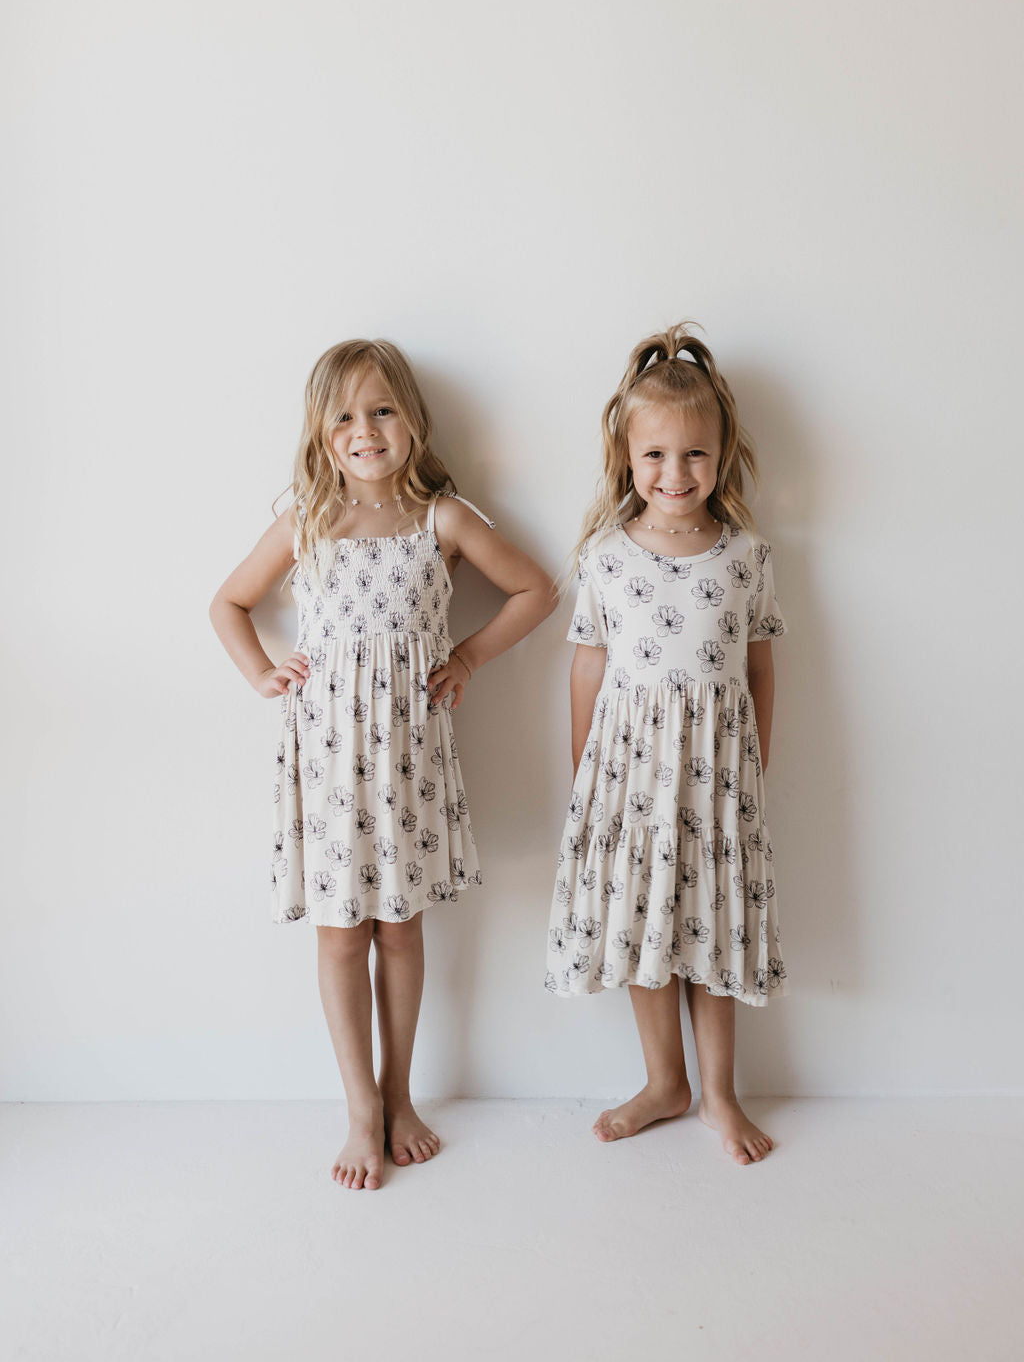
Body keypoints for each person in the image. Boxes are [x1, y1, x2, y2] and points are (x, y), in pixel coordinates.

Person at [211, 339, 556, 1190]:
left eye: (382, 410)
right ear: (322, 435)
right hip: (329, 766)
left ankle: (402, 1096)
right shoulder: (306, 521)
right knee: (341, 937)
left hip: (407, 766)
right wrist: (262, 671)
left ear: (411, 419)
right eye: (345, 417)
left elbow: (537, 590)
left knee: (400, 929)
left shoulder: (443, 517)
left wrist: (468, 658)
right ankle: (360, 1107)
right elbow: (227, 602)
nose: (365, 430)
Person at [547, 324, 787, 1165]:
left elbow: (760, 666)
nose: (674, 474)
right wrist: (586, 773)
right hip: (630, 782)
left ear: (722, 457)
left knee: (708, 933)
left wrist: (757, 760)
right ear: (626, 456)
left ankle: (718, 1091)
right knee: (648, 932)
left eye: (694, 455)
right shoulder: (605, 557)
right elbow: (587, 670)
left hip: (715, 783)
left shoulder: (747, 557)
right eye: (655, 456)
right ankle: (665, 1082)